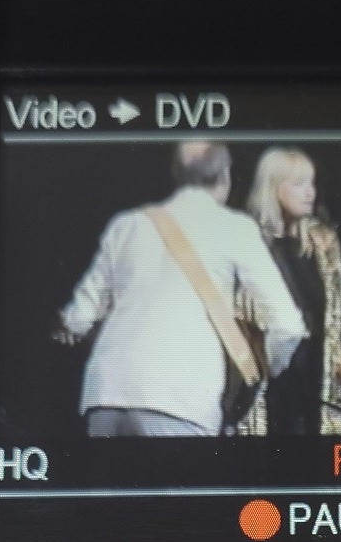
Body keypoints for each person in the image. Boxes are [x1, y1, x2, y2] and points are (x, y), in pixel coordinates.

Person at [55, 141, 306, 436]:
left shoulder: (127, 225)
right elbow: (288, 325)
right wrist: (269, 367)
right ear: (225, 175)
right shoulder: (235, 228)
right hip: (181, 398)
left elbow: (78, 317)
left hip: (107, 395)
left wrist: (70, 325)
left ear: (176, 174)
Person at [243, 147, 341, 436]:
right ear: (273, 188)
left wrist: (340, 357)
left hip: (313, 383)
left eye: (311, 183)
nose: (310, 192)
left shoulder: (322, 245)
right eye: (299, 184)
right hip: (268, 388)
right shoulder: (249, 244)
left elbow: (332, 317)